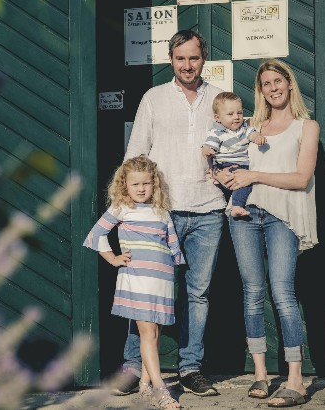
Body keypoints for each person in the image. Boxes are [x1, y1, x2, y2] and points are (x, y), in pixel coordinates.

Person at [118, 29, 226, 397]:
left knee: (198, 293)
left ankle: (190, 367)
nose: (187, 65)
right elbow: (135, 156)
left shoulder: (218, 100)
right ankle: (133, 367)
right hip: (160, 214)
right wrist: (129, 209)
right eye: (180, 58)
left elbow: (235, 148)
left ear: (203, 58)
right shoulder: (154, 98)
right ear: (171, 60)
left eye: (193, 58)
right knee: (145, 290)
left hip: (209, 210)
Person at [215, 58, 319, 407]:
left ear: (290, 84)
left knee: (283, 293)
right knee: (252, 293)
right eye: (266, 84)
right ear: (259, 90)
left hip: (282, 219)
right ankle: (260, 375)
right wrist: (223, 176)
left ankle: (295, 380)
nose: (273, 88)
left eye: (278, 81)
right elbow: (226, 161)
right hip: (244, 215)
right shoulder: (249, 125)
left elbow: (301, 179)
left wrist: (254, 176)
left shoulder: (307, 126)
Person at [83, 155, 184, 409]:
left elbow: (173, 247)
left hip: (161, 279)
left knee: (155, 331)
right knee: (147, 332)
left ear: (154, 184)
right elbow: (96, 235)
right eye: (135, 184)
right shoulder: (121, 208)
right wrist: (113, 258)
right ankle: (162, 391)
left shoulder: (162, 211)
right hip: (137, 278)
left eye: (146, 184)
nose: (141, 189)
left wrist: (173, 266)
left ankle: (145, 384)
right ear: (124, 185)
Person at [201, 91, 266, 217]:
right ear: (218, 118)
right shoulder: (216, 132)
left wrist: (258, 137)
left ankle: (234, 204)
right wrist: (207, 151)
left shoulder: (244, 129)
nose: (236, 117)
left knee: (245, 181)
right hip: (225, 165)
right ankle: (237, 206)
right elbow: (208, 145)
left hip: (242, 166)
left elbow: (252, 134)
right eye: (230, 114)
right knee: (242, 183)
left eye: (239, 113)